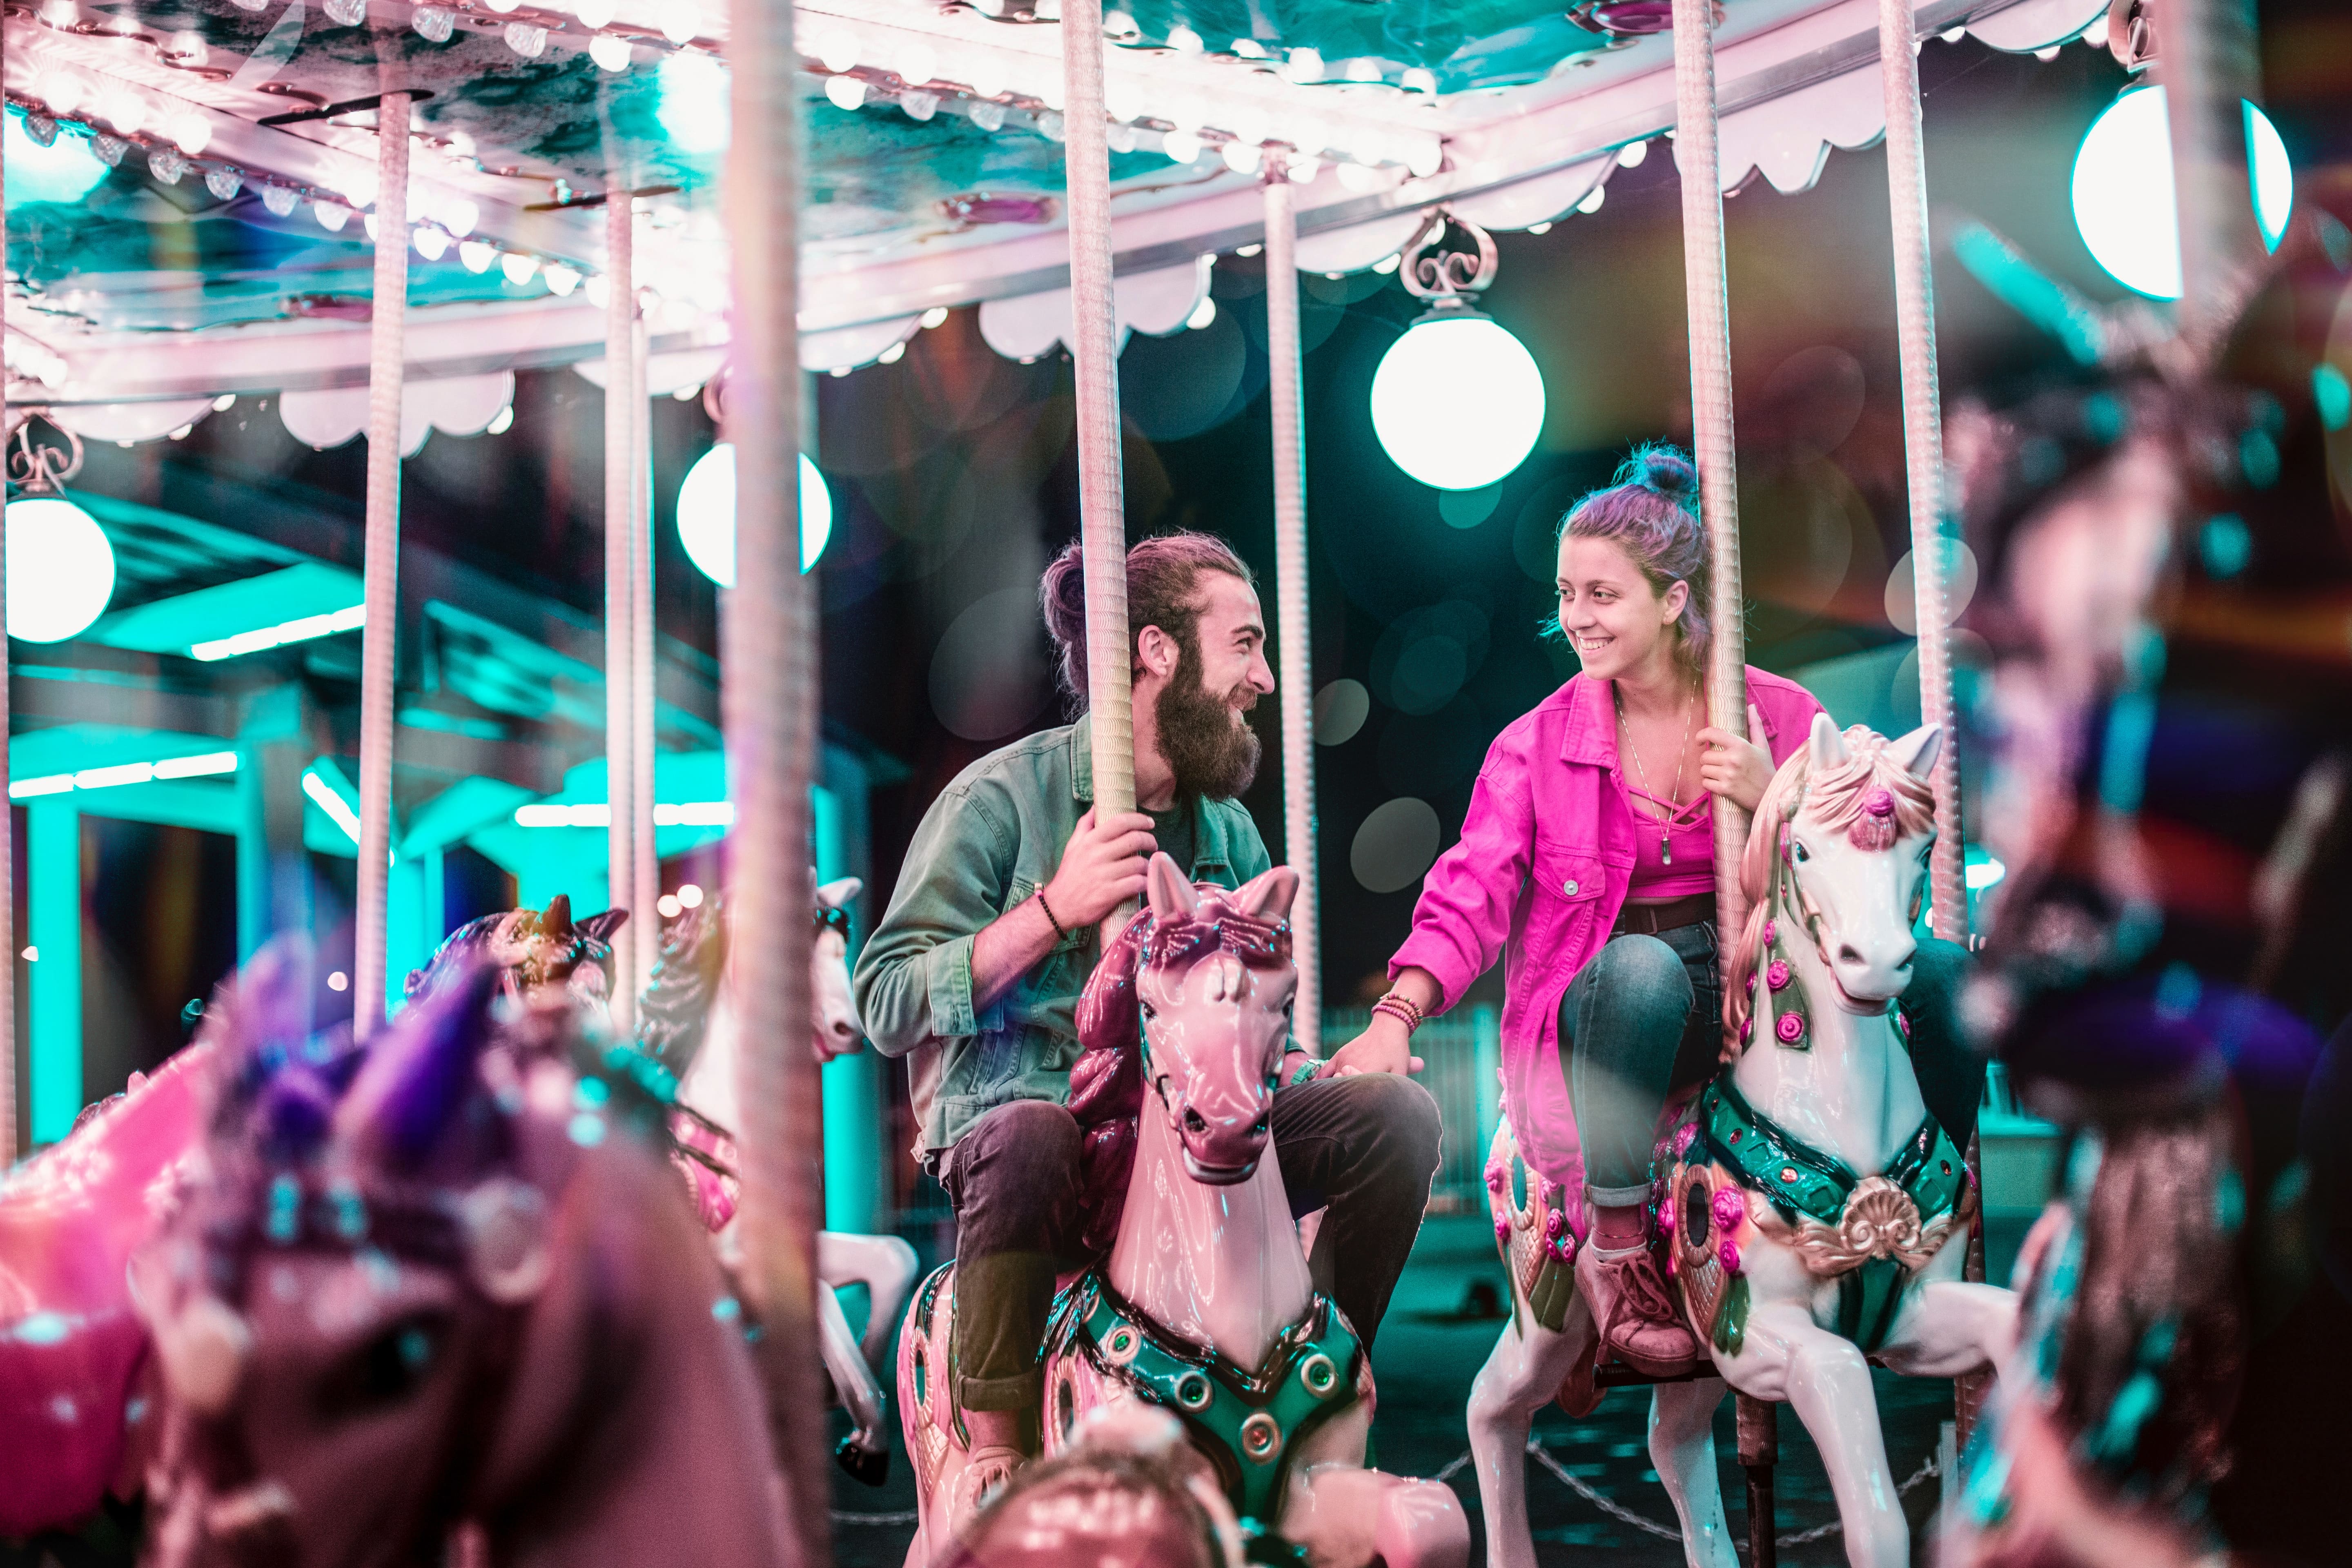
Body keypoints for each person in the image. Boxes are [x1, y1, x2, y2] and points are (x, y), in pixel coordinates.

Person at [1328, 445, 1978, 1374]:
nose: (1575, 619)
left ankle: (1928, 1204)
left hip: (1765, 983)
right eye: (1566, 594)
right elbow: (1470, 887)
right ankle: (1620, 1245)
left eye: (1602, 596)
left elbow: (1866, 841)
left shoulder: (1782, 716)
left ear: (1673, 600)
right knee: (1644, 972)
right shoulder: (1536, 746)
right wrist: (1398, 1016)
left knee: (1950, 973)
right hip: (1622, 1011)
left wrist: (1770, 793)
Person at [856, 532, 1443, 1524]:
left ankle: (1320, 1381)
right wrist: (1052, 911)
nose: (1263, 677)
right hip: (1034, 1127)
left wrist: (1302, 1068)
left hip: (1186, 1137)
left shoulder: (1228, 834)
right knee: (1033, 1135)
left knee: (1396, 1118)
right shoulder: (1002, 799)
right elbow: (885, 1000)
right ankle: (994, 1452)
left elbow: (1253, 1031)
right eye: (1246, 646)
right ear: (1159, 652)